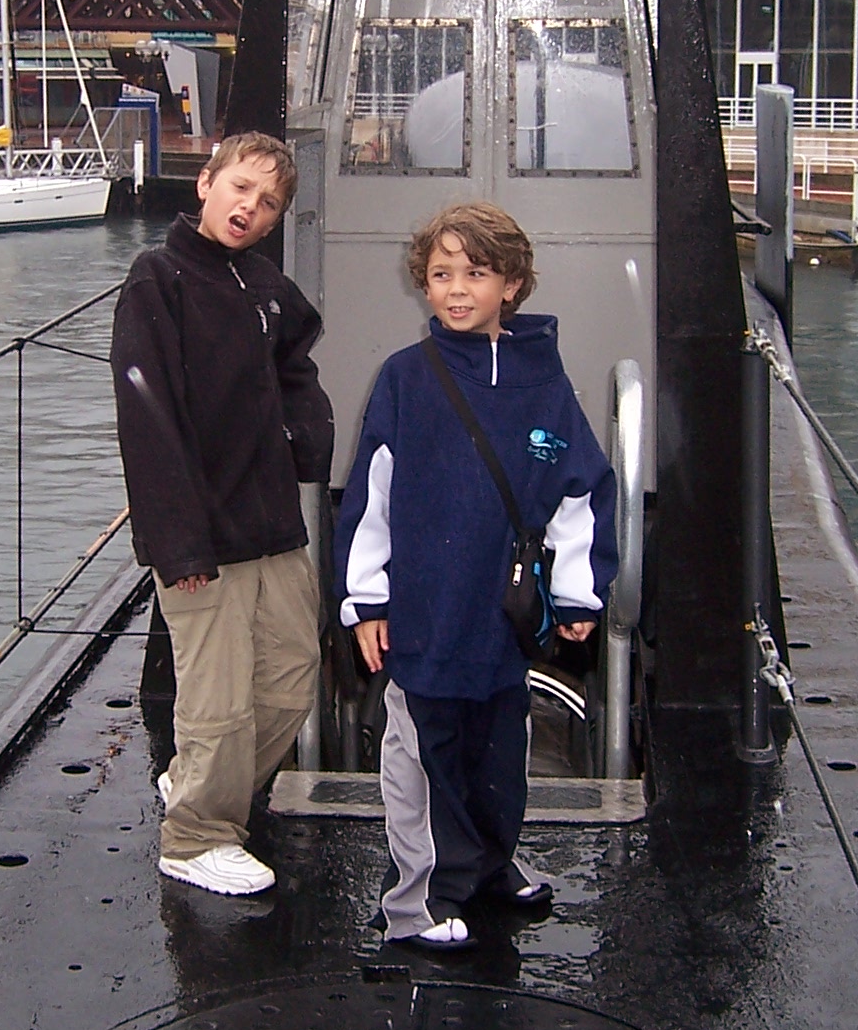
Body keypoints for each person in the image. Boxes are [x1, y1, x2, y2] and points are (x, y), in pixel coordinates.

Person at [334, 202, 616, 947]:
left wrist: (579, 591)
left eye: (477, 273)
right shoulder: (406, 379)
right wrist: (366, 600)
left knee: (499, 751)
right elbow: (372, 498)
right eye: (441, 274)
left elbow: (578, 488)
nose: (457, 289)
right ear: (423, 284)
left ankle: (489, 862)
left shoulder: (546, 385)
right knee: (426, 758)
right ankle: (420, 900)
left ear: (513, 284)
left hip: (501, 615)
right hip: (427, 612)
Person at [111, 131, 333, 896]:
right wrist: (178, 545)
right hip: (201, 533)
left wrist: (306, 435)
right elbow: (148, 417)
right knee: (218, 697)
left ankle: (201, 784)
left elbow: (295, 358)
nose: (250, 207)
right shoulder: (158, 279)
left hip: (269, 522)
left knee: (291, 679)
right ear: (206, 182)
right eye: (241, 187)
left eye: (267, 202)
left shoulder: (263, 284)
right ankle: (197, 834)